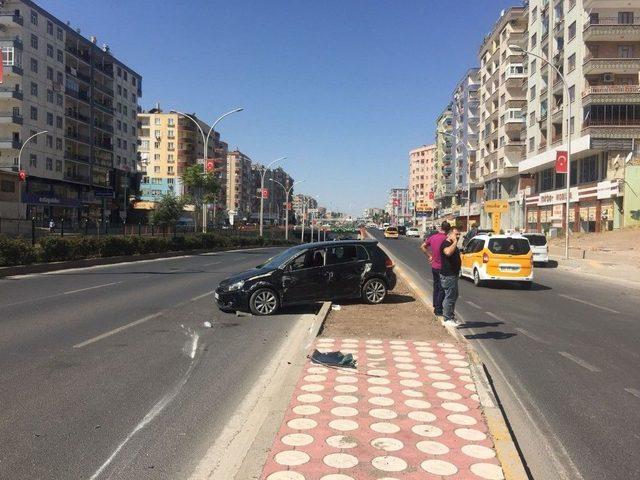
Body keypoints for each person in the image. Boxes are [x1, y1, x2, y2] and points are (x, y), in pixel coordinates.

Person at [420, 221, 450, 317]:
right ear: (448, 230)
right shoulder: (447, 239)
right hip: (443, 267)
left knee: (436, 286)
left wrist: (430, 256)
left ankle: (435, 304)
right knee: (442, 289)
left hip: (434, 267)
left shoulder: (433, 237)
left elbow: (423, 246)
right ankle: (438, 309)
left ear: (441, 228)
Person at [440, 227, 462, 325]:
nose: (458, 236)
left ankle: (451, 317)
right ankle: (447, 319)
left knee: (453, 296)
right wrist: (455, 242)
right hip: (448, 275)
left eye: (458, 234)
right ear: (449, 234)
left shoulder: (452, 244)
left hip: (453, 274)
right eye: (456, 234)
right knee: (449, 297)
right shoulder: (446, 244)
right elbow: (448, 253)